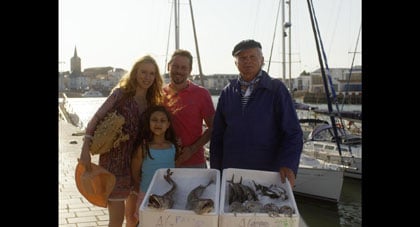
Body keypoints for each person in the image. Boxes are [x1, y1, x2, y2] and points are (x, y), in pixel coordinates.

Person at [79, 55, 164, 227]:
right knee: (116, 220)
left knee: (133, 218)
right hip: (113, 163)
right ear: (135, 73)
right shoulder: (120, 95)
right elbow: (95, 120)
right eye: (143, 72)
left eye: (151, 73)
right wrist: (85, 150)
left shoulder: (152, 102)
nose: (147, 77)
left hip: (138, 165)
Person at [209, 39, 303, 188]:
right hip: (231, 173)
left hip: (267, 174)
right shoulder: (228, 91)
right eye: (242, 58)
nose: (248, 61)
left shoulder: (276, 89)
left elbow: (293, 132)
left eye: (252, 57)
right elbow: (218, 135)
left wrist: (288, 164)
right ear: (236, 63)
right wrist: (215, 169)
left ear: (262, 60)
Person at [163, 49, 215, 168]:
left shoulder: (202, 94)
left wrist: (192, 149)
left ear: (190, 71)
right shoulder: (159, 95)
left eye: (183, 67)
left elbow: (213, 127)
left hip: (195, 162)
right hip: (165, 161)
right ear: (168, 67)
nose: (179, 71)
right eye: (175, 66)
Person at [130, 105, 180, 223]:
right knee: (147, 222)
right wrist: (139, 187)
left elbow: (174, 169)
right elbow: (135, 171)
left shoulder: (172, 147)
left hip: (167, 195)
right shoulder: (143, 147)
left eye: (162, 121)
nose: (158, 123)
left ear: (168, 125)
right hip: (147, 194)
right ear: (149, 123)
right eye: (154, 120)